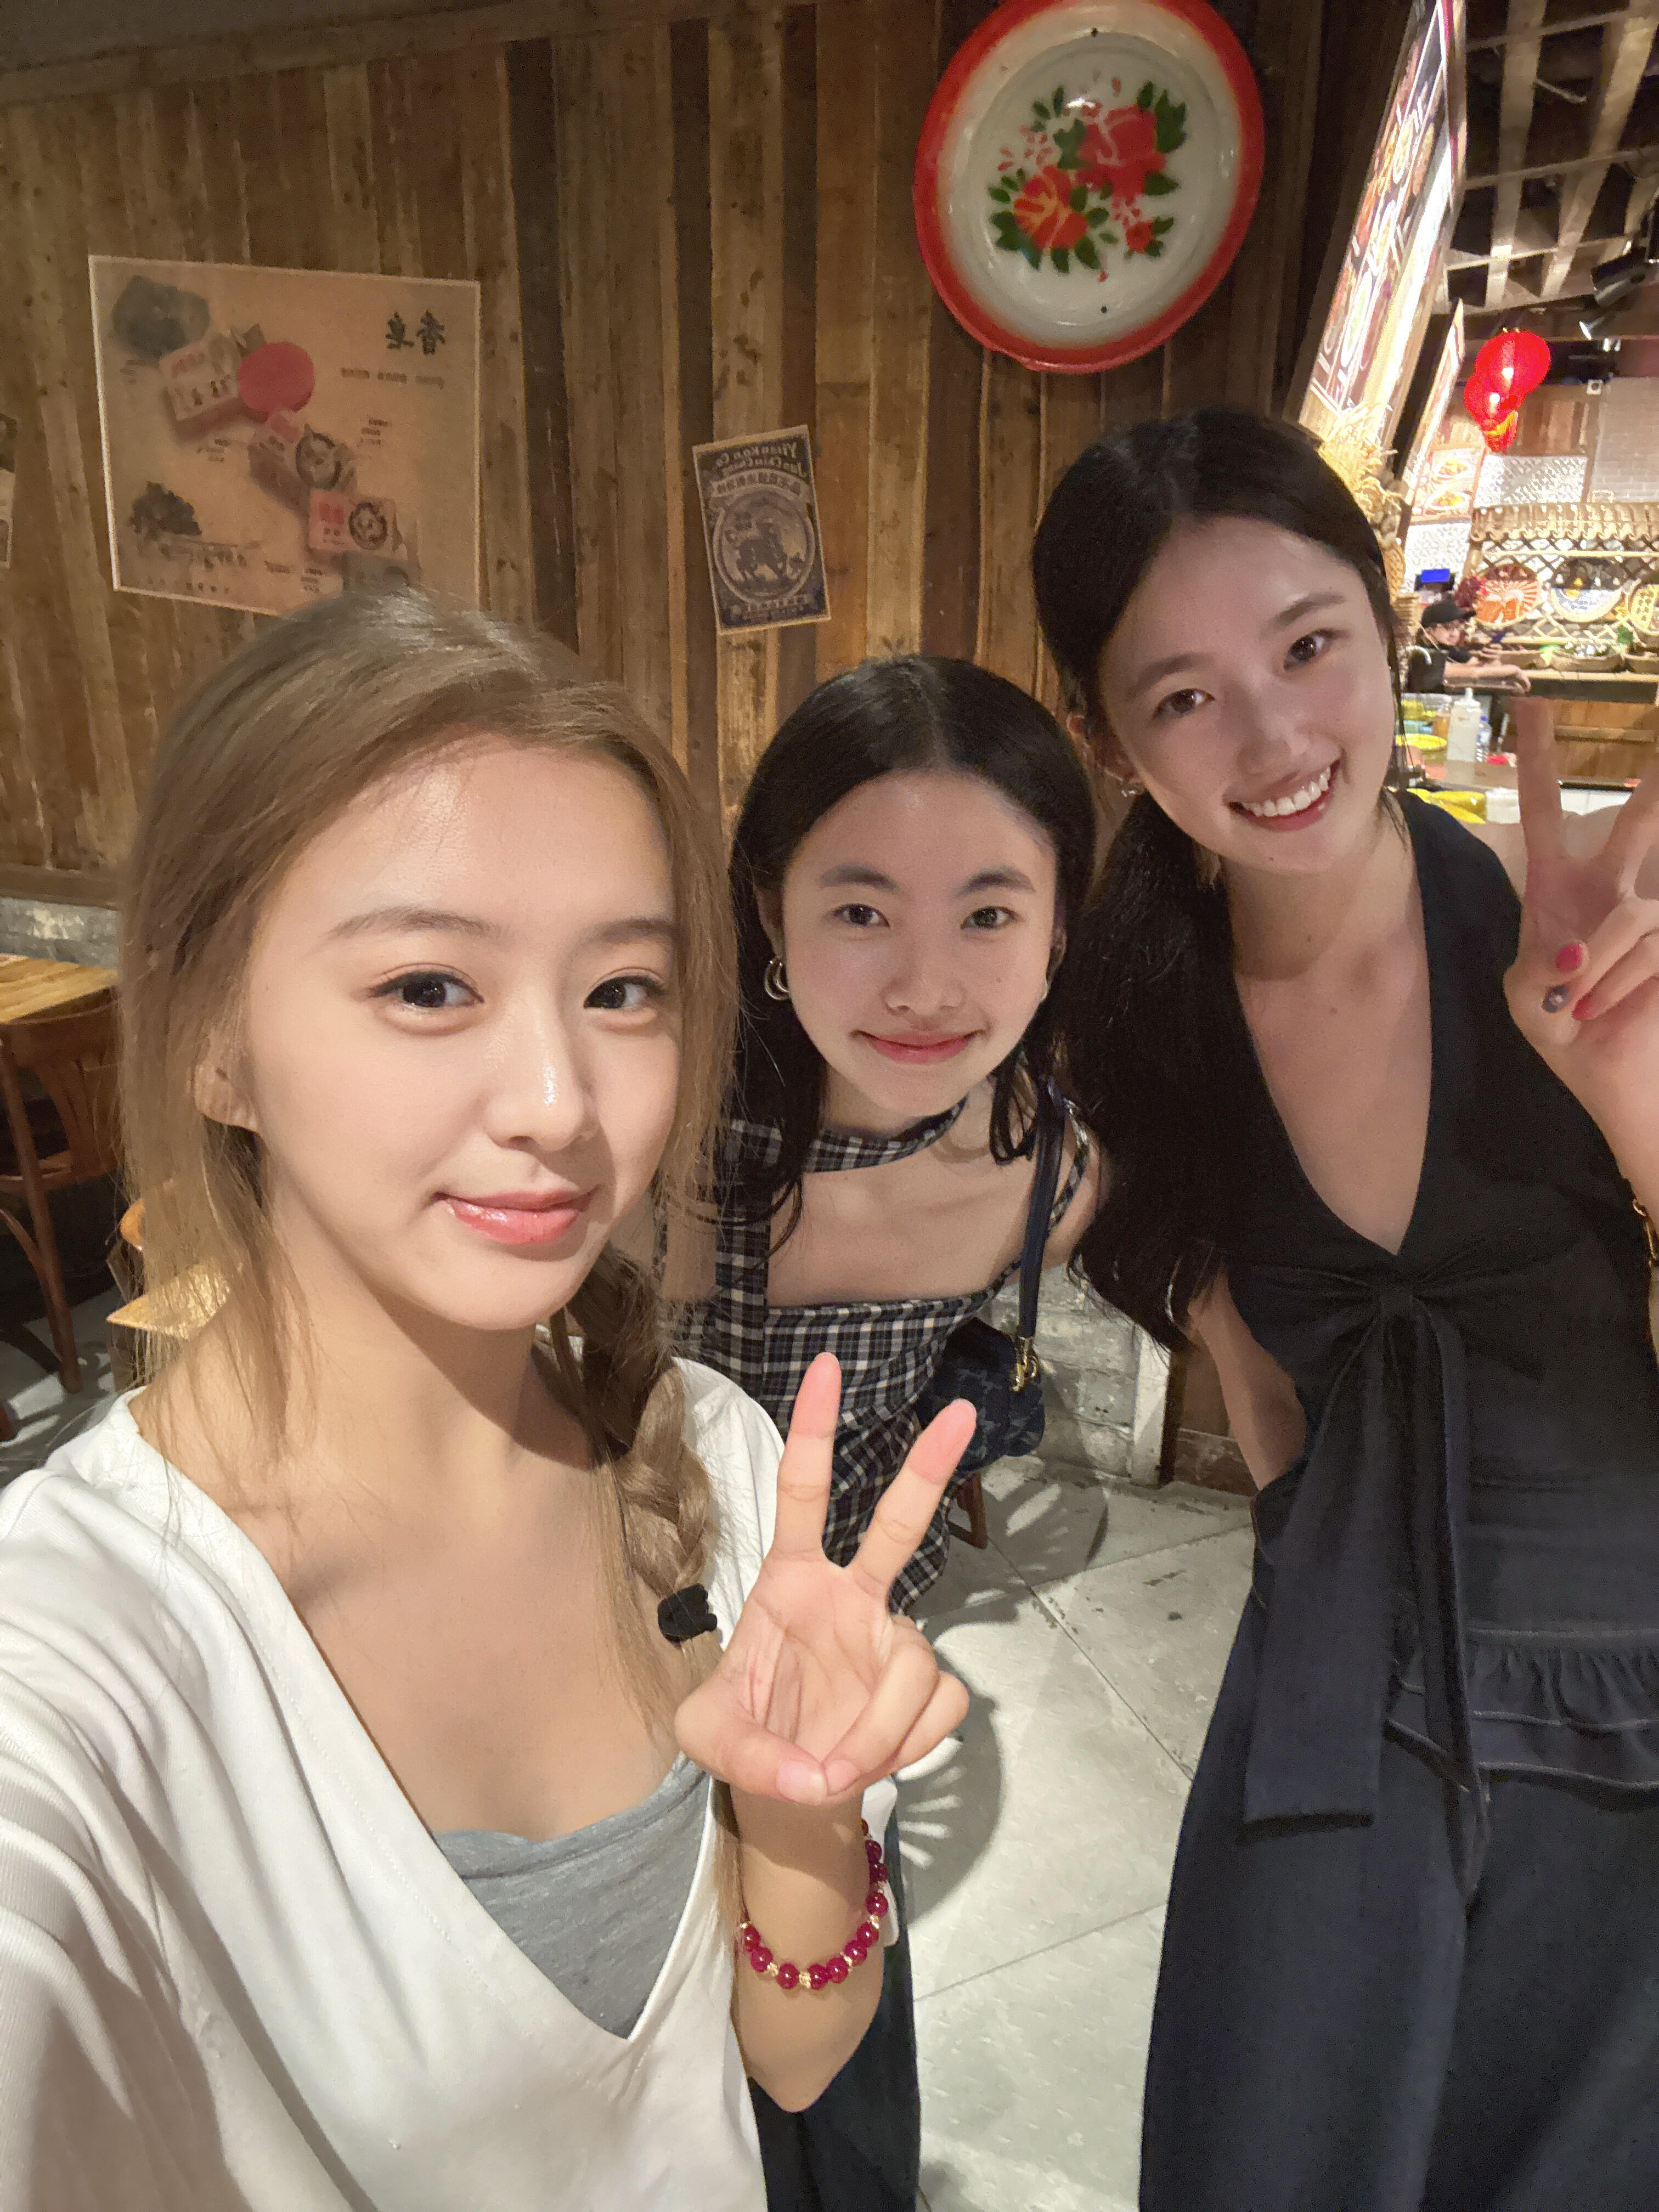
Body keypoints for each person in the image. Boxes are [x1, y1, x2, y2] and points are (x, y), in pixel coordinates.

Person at [0, 591, 978, 2210]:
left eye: (624, 991)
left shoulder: (716, 1458)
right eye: (429, 988)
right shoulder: (77, 1652)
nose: (557, 1102)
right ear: (211, 1043)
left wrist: (802, 1808)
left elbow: (797, 2066)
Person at [1033, 407, 1659, 2210]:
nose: (1275, 739)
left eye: (1308, 645)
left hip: (1628, 1694)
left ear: (1385, 629)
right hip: (1341, 1692)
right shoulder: (1145, 1025)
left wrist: (1629, 1099)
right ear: (1113, 742)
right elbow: (1262, 1399)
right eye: (1185, 696)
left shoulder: (1571, 941)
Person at [671, 655, 1101, 2211]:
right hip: (615, 1688)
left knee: (828, 2122)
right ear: (770, 918)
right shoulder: (652, 1139)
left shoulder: (1049, 1176)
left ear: (1059, 935)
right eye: (861, 909)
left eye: (989, 914)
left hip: (831, 1705)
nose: (926, 986)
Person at [1408, 592, 1532, 693]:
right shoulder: (1421, 652)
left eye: (1457, 628)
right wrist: (1514, 670)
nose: (1454, 634)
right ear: (1429, 631)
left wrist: (1493, 660)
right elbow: (1469, 673)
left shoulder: (1450, 651)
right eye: (1448, 628)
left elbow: (1475, 666)